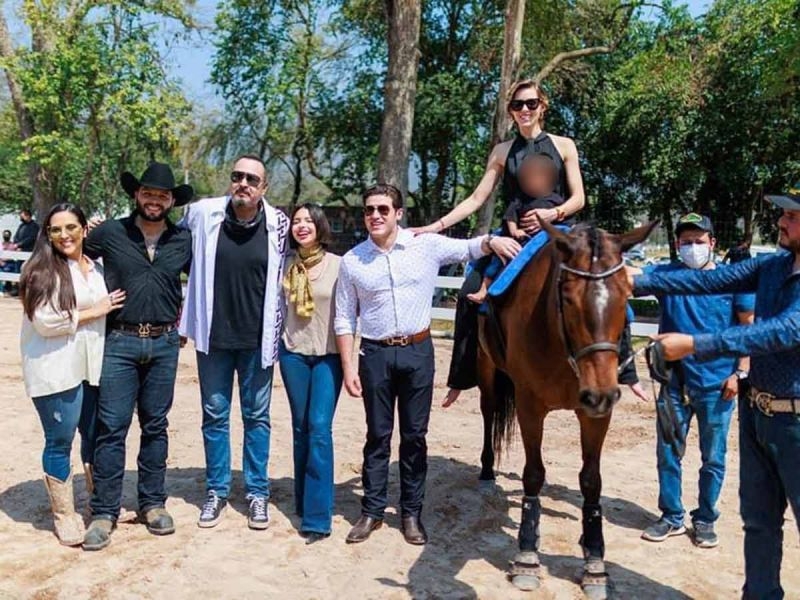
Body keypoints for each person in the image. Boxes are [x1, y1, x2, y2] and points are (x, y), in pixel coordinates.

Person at [629, 183, 800, 599]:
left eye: (792, 216)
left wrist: (697, 345)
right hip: (759, 414)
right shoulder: (775, 266)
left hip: (796, 421)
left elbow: (783, 331)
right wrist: (630, 277)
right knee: (758, 524)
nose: (781, 221)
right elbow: (711, 281)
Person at [335, 183, 502, 546]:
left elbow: (470, 247)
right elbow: (345, 318)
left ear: (398, 213)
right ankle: (372, 511)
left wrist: (494, 240)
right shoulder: (352, 261)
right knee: (377, 436)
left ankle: (411, 512)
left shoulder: (425, 246)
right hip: (375, 355)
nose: (375, 215)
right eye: (369, 210)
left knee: (414, 437)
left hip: (417, 352)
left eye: (382, 209)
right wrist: (349, 367)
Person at [413, 80, 585, 406]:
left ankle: (620, 369)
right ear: (510, 111)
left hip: (559, 230)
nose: (524, 110)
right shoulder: (502, 151)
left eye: (531, 104)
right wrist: (436, 227)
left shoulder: (564, 146)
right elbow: (478, 197)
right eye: (517, 105)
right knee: (467, 294)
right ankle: (462, 377)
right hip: (513, 233)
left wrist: (554, 213)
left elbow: (579, 198)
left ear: (542, 106)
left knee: (605, 285)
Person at [82, 162, 193, 551]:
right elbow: (69, 255)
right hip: (120, 341)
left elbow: (207, 282)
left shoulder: (184, 239)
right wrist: (85, 306)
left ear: (172, 201)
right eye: (148, 193)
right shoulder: (110, 233)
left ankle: (152, 503)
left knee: (156, 425)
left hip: (164, 343)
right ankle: (104, 512)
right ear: (136, 195)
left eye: (162, 195)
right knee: (111, 427)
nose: (154, 200)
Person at [180, 154, 289, 531]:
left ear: (264, 188)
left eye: (252, 179)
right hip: (214, 339)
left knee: (257, 418)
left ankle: (257, 492)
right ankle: (217, 490)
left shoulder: (279, 224)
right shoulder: (202, 214)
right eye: (237, 176)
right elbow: (164, 235)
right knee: (214, 416)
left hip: (258, 342)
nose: (243, 183)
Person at [638, 213, 754, 549]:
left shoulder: (733, 280)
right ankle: (671, 517)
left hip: (718, 386)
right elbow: (629, 278)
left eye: (699, 241)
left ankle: (704, 519)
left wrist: (741, 373)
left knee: (713, 457)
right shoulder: (667, 276)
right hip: (673, 383)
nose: (692, 247)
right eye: (686, 241)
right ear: (677, 244)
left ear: (712, 244)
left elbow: (748, 327)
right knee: (668, 452)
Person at [19, 203, 125, 546]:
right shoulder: (40, 270)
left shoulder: (95, 268)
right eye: (56, 229)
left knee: (95, 436)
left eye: (71, 227)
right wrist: (97, 309)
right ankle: (65, 514)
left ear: (84, 229)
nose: (64, 235)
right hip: (55, 370)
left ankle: (99, 503)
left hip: (90, 367)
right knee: (60, 441)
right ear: (46, 234)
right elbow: (45, 322)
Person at [279, 203, 342, 544]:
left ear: (320, 226)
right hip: (293, 356)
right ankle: (303, 500)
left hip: (328, 358)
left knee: (319, 429)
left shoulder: (339, 266)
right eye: (296, 221)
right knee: (301, 428)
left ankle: (318, 517)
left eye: (308, 221)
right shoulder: (285, 265)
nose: (301, 226)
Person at [466, 152, 568, 304]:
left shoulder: (556, 200)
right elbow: (510, 216)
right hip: (519, 240)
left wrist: (553, 216)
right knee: (497, 260)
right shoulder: (519, 199)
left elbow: (563, 219)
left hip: (543, 241)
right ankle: (484, 289)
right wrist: (514, 230)